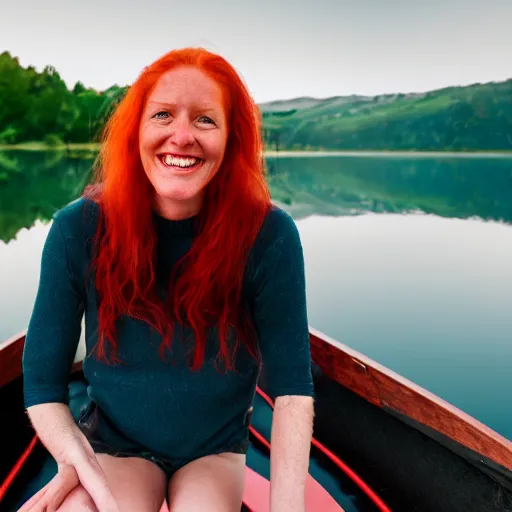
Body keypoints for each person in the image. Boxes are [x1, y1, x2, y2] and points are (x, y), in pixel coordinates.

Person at [21, 47, 315, 512]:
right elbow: (40, 383)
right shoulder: (77, 228)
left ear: (231, 138)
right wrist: (75, 462)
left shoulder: (269, 234)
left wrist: (289, 507)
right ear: (137, 130)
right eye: (162, 115)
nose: (182, 137)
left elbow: (293, 390)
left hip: (214, 450)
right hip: (116, 443)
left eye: (205, 120)